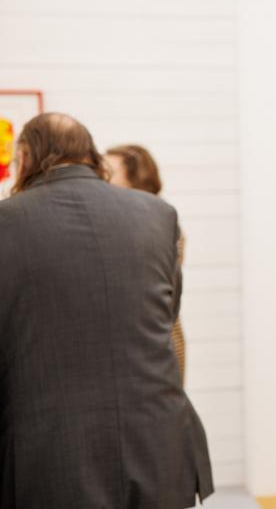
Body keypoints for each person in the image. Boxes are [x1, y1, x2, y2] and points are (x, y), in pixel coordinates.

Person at [0, 113, 214, 509]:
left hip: (51, 453)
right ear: (91, 156)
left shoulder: (6, 222)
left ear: (26, 158)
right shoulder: (158, 215)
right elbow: (166, 319)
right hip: (159, 444)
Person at [106, 143, 188, 385]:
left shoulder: (162, 225)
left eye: (108, 171)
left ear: (135, 179)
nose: (98, 177)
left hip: (158, 345)